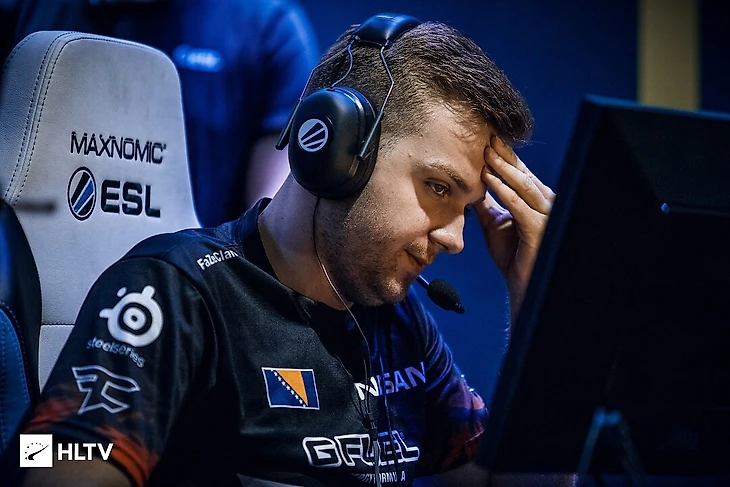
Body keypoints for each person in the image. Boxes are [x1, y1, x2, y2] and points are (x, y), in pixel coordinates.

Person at [15, 12, 565, 487]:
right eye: (439, 188)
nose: (455, 239)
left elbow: (503, 478)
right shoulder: (174, 293)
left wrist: (542, 309)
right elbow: (42, 456)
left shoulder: (399, 321)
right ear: (336, 150)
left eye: (466, 207)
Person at [14, 0, 320, 227]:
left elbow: (268, 221)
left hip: (189, 277)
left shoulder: (268, 26)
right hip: (42, 259)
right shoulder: (39, 10)